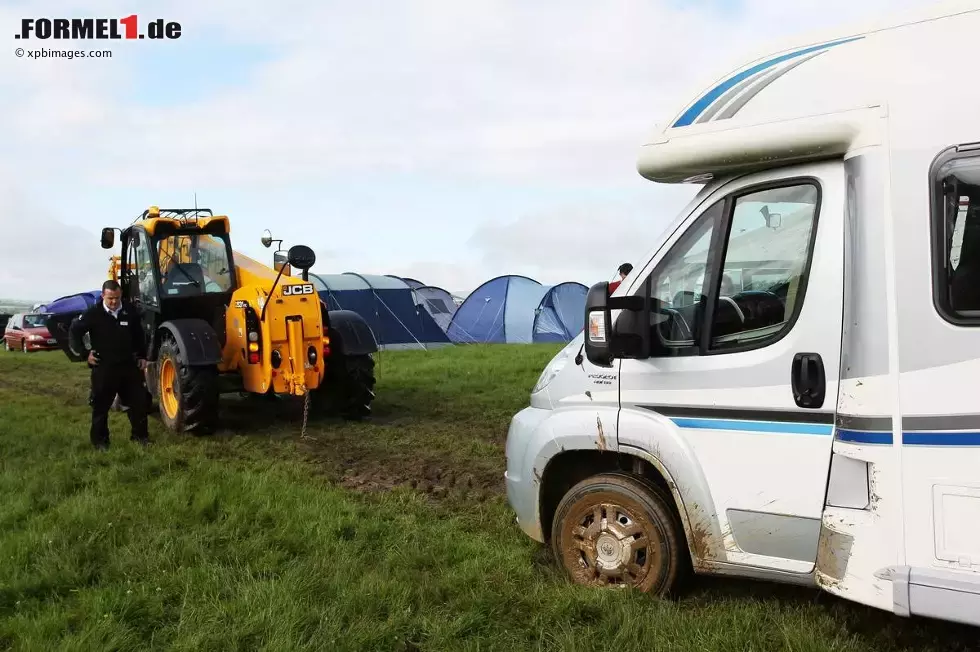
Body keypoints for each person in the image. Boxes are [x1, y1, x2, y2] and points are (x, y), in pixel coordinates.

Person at [70, 280, 150, 450]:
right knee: (100, 406)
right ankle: (100, 442)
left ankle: (140, 438)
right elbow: (74, 331)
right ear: (103, 296)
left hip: (128, 365)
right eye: (110, 298)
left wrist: (142, 355)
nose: (114, 302)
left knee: (138, 403)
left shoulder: (129, 310)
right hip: (104, 367)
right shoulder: (93, 313)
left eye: (117, 298)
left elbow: (139, 334)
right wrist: (85, 354)